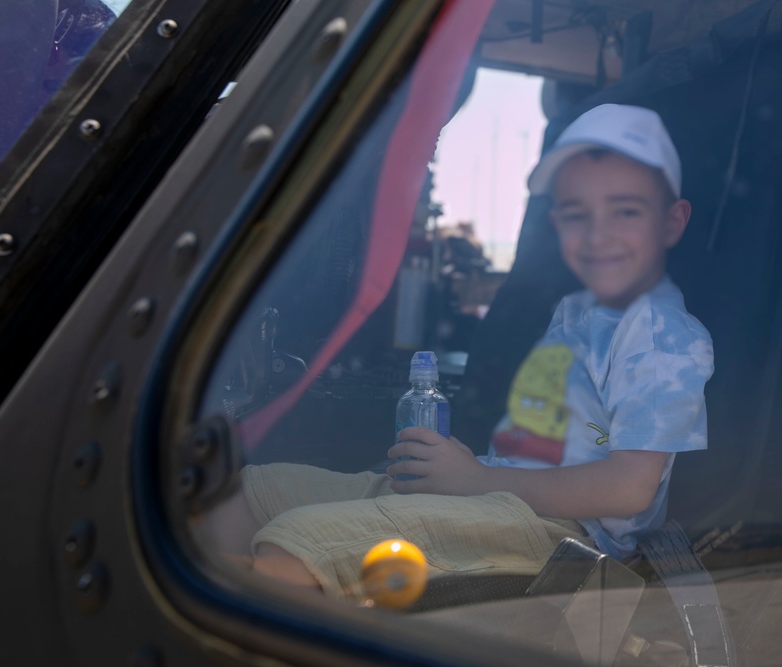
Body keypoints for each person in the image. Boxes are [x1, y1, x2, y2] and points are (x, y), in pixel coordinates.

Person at [204, 103, 714, 599]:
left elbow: (629, 490)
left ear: (672, 221)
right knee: (247, 494)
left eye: (624, 209)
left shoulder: (660, 332)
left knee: (298, 545)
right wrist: (476, 474)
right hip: (500, 494)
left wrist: (476, 480)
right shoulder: (581, 312)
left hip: (563, 534)